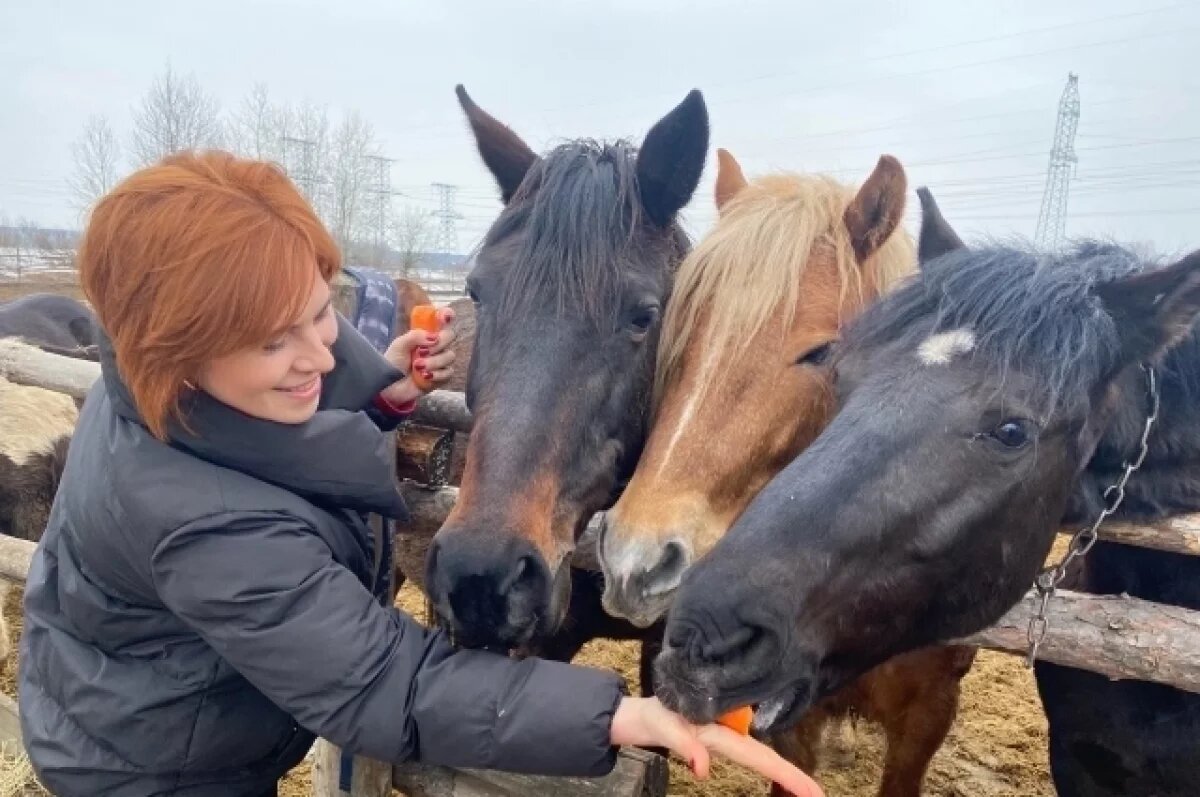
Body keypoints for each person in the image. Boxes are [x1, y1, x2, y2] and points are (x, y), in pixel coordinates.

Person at [17, 151, 821, 797]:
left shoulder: (148, 395)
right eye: (274, 342)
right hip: (155, 766)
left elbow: (254, 446)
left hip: (156, 709)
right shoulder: (199, 523)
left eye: (318, 310)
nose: (322, 354)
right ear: (179, 355)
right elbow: (386, 686)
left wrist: (379, 398)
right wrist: (623, 715)